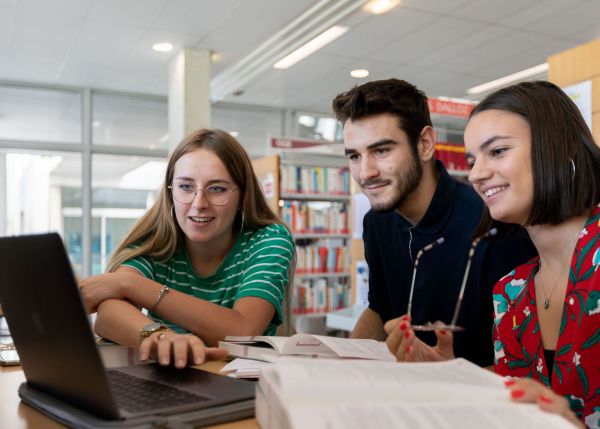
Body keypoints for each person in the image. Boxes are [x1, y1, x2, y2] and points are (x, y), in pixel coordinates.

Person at [332, 78, 537, 366]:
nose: (366, 172)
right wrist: (339, 368)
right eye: (354, 155)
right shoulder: (376, 224)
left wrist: (441, 374)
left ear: (425, 144)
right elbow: (379, 310)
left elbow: (522, 366)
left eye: (381, 151)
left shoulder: (495, 223)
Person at [80, 129, 295, 368]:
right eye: (185, 187)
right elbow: (108, 315)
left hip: (249, 387)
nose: (199, 203)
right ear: (170, 192)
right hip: (172, 380)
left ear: (242, 196)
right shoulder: (156, 241)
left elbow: (242, 332)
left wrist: (130, 285)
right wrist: (160, 338)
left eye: (217, 189)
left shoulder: (269, 239)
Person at [464, 81, 598, 428]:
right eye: (472, 159)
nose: (475, 174)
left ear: (555, 147)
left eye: (496, 151)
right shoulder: (509, 293)